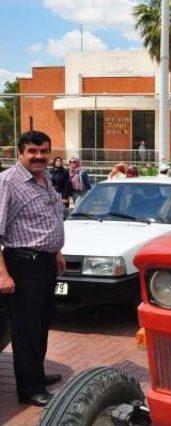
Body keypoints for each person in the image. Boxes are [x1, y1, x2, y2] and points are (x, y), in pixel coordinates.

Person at [0, 131, 66, 406]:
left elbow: (48, 219)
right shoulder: (8, 182)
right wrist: (2, 273)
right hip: (23, 264)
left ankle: (35, 374)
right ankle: (29, 389)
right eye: (32, 152)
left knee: (41, 323)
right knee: (26, 329)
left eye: (44, 151)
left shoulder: (45, 179)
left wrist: (57, 251)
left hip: (46, 262)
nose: (39, 157)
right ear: (20, 153)